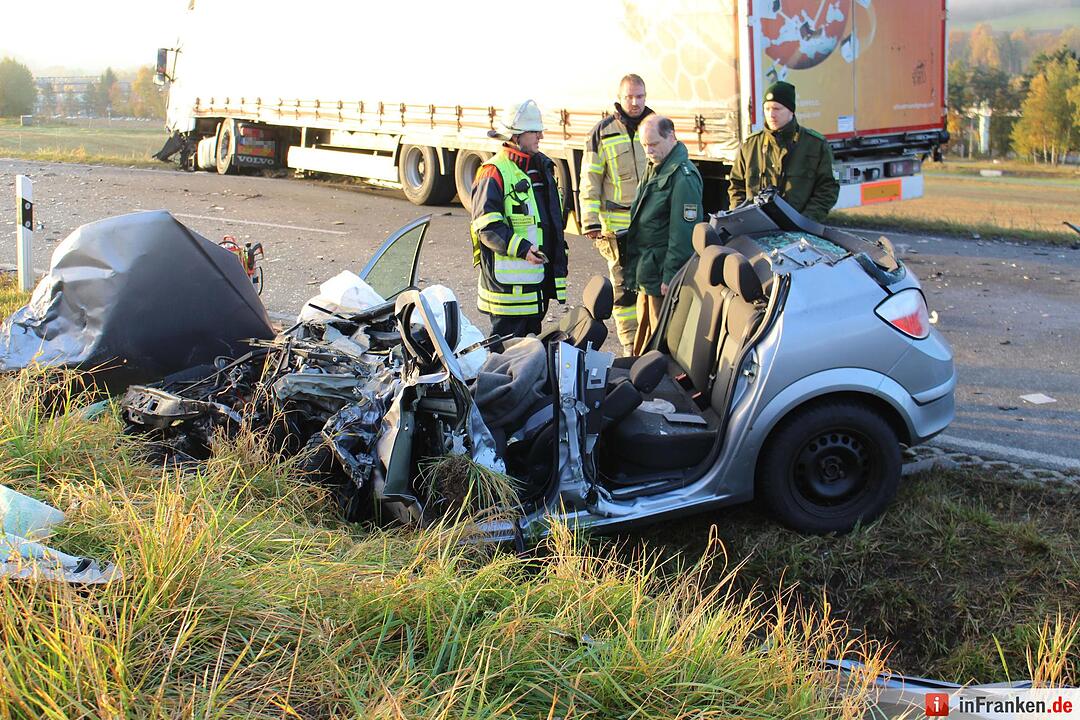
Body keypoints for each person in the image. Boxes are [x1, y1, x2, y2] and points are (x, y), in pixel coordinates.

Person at [470, 99, 569, 338]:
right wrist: (523, 249)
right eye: (535, 131)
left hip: (536, 287)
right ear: (516, 135)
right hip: (508, 294)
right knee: (507, 360)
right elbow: (487, 227)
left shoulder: (542, 167)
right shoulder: (493, 171)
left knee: (532, 354)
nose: (541, 135)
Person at [579, 73, 654, 355]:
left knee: (653, 286)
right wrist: (590, 220)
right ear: (619, 98)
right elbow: (590, 179)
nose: (635, 103)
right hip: (617, 228)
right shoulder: (603, 132)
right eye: (629, 97)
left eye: (640, 96)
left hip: (651, 223)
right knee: (623, 293)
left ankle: (651, 346)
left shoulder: (656, 126)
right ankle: (630, 350)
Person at [624, 115, 703, 355]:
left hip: (662, 276)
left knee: (661, 339)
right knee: (646, 332)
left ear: (671, 136)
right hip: (648, 270)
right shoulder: (655, 168)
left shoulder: (683, 177)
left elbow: (683, 234)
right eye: (644, 145)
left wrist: (671, 276)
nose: (648, 150)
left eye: (654, 144)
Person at [727, 81, 839, 222]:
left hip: (799, 229)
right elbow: (736, 187)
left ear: (791, 111)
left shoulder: (815, 145)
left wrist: (806, 221)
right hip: (756, 228)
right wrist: (740, 218)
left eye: (777, 109)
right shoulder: (750, 145)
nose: (771, 114)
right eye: (767, 109)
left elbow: (828, 188)